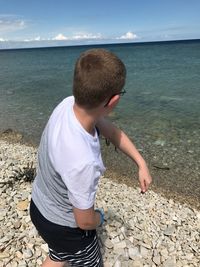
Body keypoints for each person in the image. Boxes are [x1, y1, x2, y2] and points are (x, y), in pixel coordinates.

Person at [30, 48, 152, 267]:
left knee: (59, 254)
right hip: (65, 227)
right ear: (113, 101)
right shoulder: (83, 160)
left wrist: (141, 163)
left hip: (39, 207)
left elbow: (112, 132)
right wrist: (100, 217)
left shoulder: (68, 104)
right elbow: (84, 221)